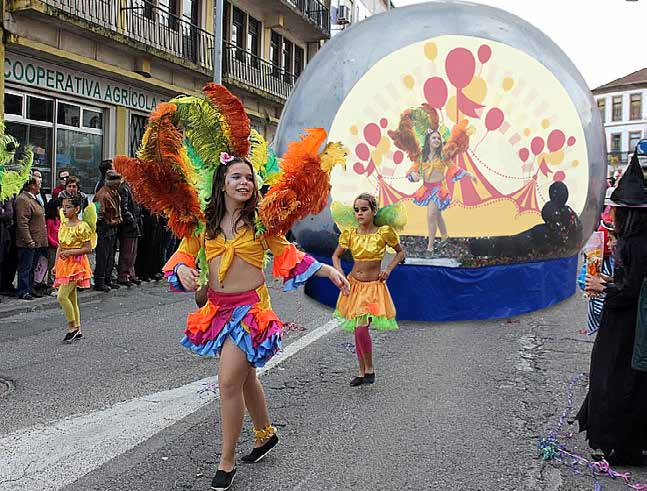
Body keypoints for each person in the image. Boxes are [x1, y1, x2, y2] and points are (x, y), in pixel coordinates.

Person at [164, 155, 349, 490]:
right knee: (246, 377)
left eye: (249, 177)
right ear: (221, 182)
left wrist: (326, 270)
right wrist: (181, 269)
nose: (244, 183)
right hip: (218, 310)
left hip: (249, 311)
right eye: (236, 177)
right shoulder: (204, 224)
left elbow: (289, 254)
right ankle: (265, 436)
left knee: (229, 381)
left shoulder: (262, 224)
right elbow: (183, 253)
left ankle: (226, 459)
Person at [577, 153, 647, 466]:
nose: (613, 215)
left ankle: (612, 442)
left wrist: (602, 287)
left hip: (627, 326)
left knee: (613, 377)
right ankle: (623, 442)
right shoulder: (634, 240)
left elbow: (631, 291)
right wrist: (605, 279)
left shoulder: (635, 244)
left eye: (617, 210)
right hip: (626, 322)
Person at [332, 192, 405, 386]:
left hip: (373, 288)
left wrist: (388, 269)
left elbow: (400, 252)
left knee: (361, 330)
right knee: (358, 329)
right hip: (354, 286)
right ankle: (362, 371)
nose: (359, 214)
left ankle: (369, 368)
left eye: (364, 209)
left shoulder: (384, 233)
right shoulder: (350, 234)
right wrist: (340, 275)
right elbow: (335, 256)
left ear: (373, 211)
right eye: (356, 210)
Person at [54, 194, 94, 343]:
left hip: (77, 264)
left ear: (77, 209)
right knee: (71, 297)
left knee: (61, 296)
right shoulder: (64, 225)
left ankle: (72, 327)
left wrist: (70, 252)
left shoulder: (82, 226)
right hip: (64, 264)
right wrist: (55, 264)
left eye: (68, 207)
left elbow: (88, 248)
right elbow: (60, 245)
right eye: (63, 207)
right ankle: (78, 328)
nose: (64, 210)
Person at [15, 177, 48, 300]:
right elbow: (22, 222)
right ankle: (23, 290)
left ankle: (30, 288)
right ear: (32, 186)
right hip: (28, 242)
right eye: (39, 183)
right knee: (25, 267)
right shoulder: (23, 200)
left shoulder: (33, 199)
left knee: (32, 267)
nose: (41, 186)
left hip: (37, 240)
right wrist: (28, 240)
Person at [93, 170, 122, 292]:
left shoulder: (113, 192)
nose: (119, 184)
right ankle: (99, 281)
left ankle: (107, 279)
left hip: (113, 227)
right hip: (105, 229)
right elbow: (98, 213)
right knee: (103, 256)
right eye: (117, 182)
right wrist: (105, 225)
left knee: (110, 255)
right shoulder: (102, 195)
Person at [117, 179, 142, 286]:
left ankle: (131, 274)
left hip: (134, 223)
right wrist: (131, 221)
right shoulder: (124, 188)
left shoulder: (131, 187)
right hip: (128, 226)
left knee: (133, 252)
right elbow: (124, 207)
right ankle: (123, 275)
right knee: (127, 251)